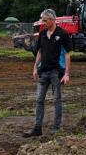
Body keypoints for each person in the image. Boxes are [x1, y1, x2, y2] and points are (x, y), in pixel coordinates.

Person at [23, 9, 72, 137]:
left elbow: (67, 55)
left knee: (57, 100)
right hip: (43, 71)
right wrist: (35, 67)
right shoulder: (43, 33)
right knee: (39, 100)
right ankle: (37, 128)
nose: (43, 22)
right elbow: (39, 51)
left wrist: (67, 73)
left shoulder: (63, 34)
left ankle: (56, 128)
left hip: (57, 72)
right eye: (42, 20)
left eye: (45, 20)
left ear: (52, 20)